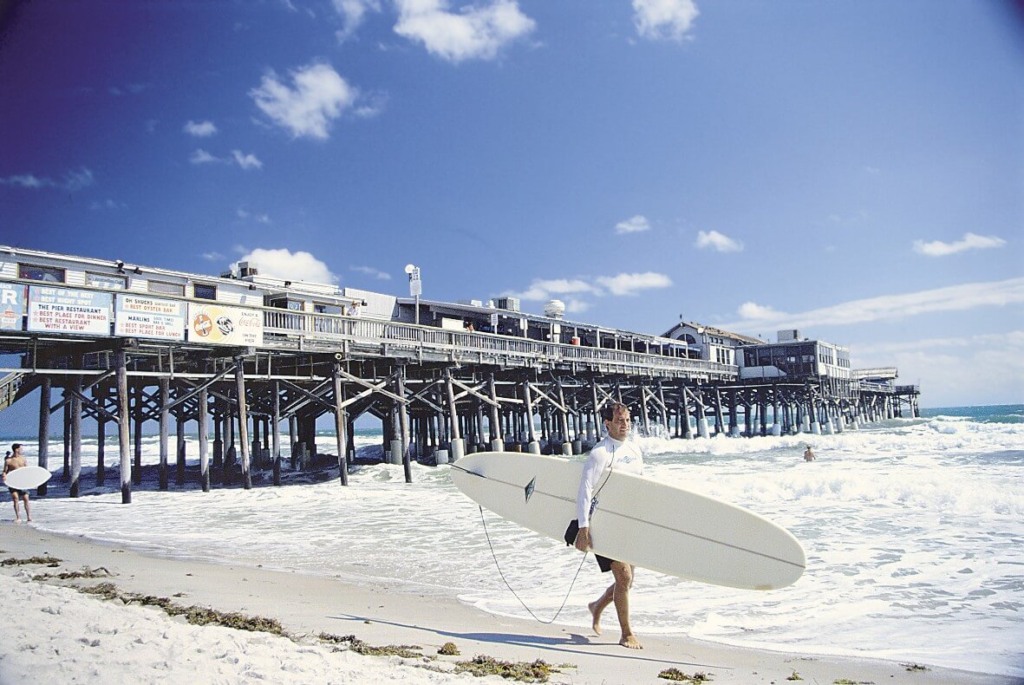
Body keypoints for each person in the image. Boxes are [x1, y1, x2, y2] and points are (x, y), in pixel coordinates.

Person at [574, 402, 644, 649]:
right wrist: (584, 529)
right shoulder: (599, 453)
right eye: (619, 421)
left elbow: (639, 489)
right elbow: (584, 491)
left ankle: (597, 606)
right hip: (603, 524)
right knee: (623, 577)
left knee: (627, 580)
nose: (625, 425)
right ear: (607, 424)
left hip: (627, 522)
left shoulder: (635, 451)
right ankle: (626, 634)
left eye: (627, 420)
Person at [3, 443, 31, 523]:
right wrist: (4, 476)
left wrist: (31, 481)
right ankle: (18, 517)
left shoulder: (23, 459)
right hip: (13, 482)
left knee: (26, 498)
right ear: (16, 449)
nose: (22, 450)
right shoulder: (8, 461)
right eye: (21, 449)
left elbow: (27, 471)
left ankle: (29, 516)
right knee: (15, 498)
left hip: (23, 482)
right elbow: (5, 471)